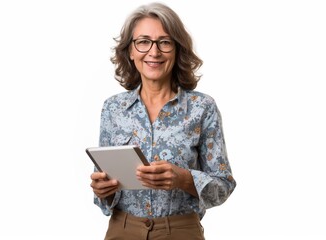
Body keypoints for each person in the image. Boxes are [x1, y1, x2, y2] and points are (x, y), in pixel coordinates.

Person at [90, 2, 236, 239]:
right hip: (122, 229)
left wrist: (184, 178)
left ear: (177, 49)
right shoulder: (113, 108)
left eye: (165, 42)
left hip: (181, 231)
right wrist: (102, 190)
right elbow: (104, 191)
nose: (154, 52)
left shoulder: (202, 108)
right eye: (143, 41)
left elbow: (223, 186)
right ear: (131, 50)